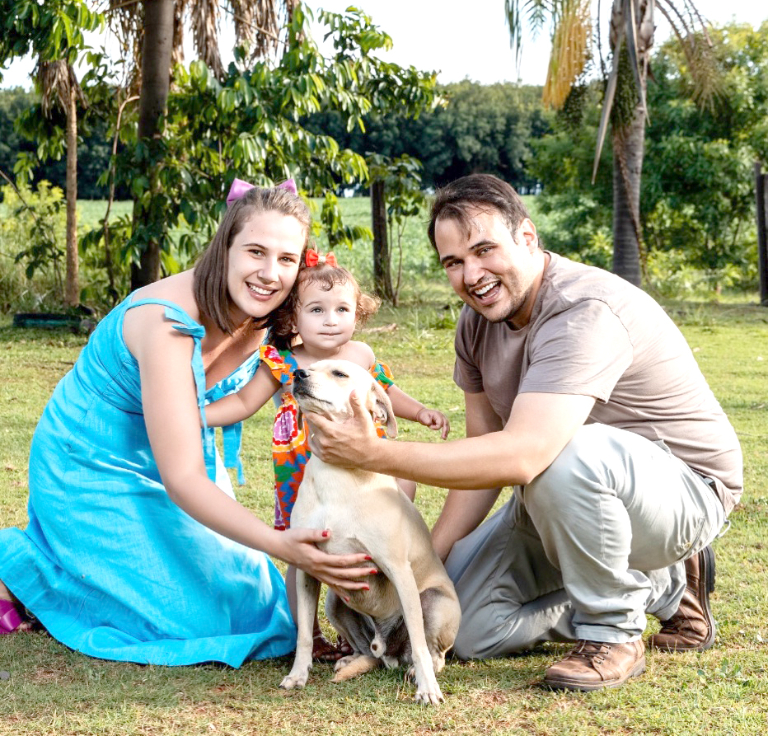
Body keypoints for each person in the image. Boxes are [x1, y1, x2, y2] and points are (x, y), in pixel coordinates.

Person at [304, 174, 743, 692]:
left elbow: (522, 456)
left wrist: (373, 453)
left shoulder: (583, 311)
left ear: (528, 237)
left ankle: (613, 632)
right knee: (462, 625)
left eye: (484, 250)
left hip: (682, 493)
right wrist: (430, 559)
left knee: (563, 453)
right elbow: (482, 458)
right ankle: (660, 589)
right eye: (454, 263)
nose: (472, 274)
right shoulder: (477, 323)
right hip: (559, 499)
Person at [0, 180, 375, 667]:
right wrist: (278, 543)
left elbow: (341, 352)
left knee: (251, 604)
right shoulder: (166, 323)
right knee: (188, 619)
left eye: (286, 259)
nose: (268, 273)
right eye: (255, 252)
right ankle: (22, 568)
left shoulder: (271, 311)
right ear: (224, 248)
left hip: (180, 448)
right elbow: (183, 479)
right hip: (91, 461)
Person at [205, 252, 450, 659]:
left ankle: (367, 618)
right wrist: (197, 414)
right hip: (302, 473)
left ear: (357, 314)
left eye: (342, 309)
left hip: (361, 469)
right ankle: (309, 633)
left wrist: (420, 410)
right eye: (317, 310)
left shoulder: (361, 357)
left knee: (375, 532)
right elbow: (244, 403)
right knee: (299, 553)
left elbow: (385, 394)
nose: (331, 319)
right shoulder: (284, 362)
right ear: (292, 318)